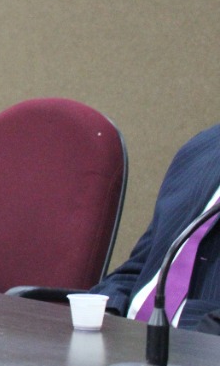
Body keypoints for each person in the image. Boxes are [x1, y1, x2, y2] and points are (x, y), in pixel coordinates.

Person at [91, 122, 220, 333]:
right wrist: (105, 308)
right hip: (128, 336)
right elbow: (141, 267)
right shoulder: (204, 147)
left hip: (192, 342)